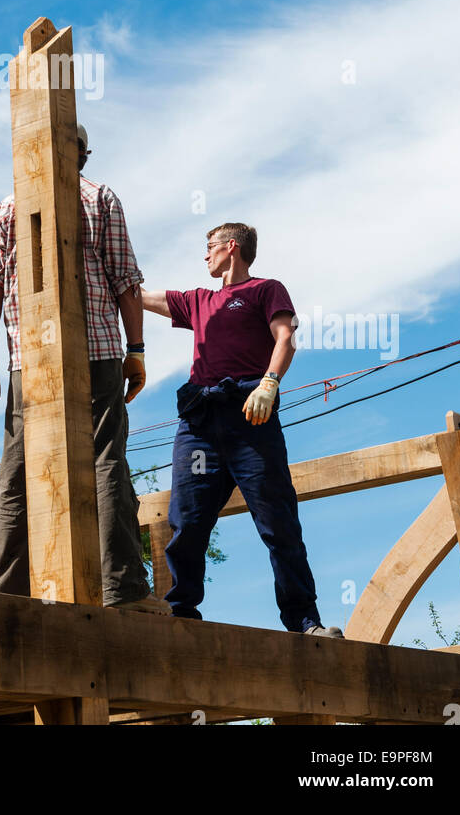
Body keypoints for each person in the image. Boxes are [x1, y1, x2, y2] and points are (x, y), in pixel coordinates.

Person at [0, 125, 167, 612]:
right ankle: (120, 588)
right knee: (105, 460)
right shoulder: (99, 198)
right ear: (81, 154)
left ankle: (5, 596)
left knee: (16, 471)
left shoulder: (6, 208)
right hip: (96, 353)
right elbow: (125, 279)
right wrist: (137, 349)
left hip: (27, 362)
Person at [142, 222, 342, 637]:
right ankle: (181, 613)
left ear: (231, 248)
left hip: (251, 418)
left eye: (209, 247)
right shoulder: (198, 300)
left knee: (277, 522)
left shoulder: (265, 290)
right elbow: (137, 295)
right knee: (187, 521)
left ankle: (304, 621)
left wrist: (269, 382)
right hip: (199, 425)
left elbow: (284, 337)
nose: (205, 255)